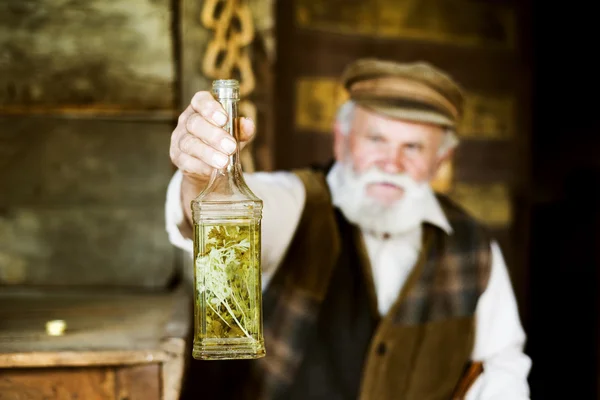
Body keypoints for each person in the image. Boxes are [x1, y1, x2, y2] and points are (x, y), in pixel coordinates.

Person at [165, 58, 532, 399]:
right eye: (376, 139)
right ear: (341, 139)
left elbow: (501, 366)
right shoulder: (297, 202)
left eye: (414, 147)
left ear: (441, 160)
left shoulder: (473, 245)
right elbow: (226, 212)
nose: (392, 162)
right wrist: (200, 180)